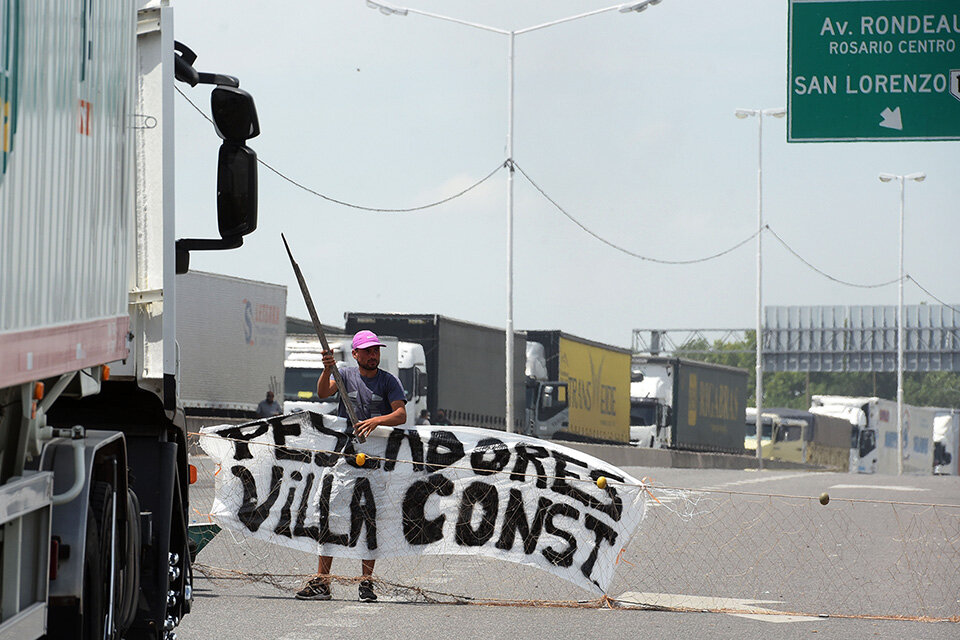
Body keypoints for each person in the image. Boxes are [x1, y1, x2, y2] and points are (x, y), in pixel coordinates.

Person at [295, 330, 406, 603]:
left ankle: (366, 583)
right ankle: (322, 581)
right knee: (329, 511)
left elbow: (401, 414)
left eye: (376, 350)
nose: (373, 355)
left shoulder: (388, 381)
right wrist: (326, 370)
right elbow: (323, 392)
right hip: (344, 458)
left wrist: (377, 421)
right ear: (355, 354)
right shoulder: (343, 375)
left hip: (375, 462)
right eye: (367, 351)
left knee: (370, 518)